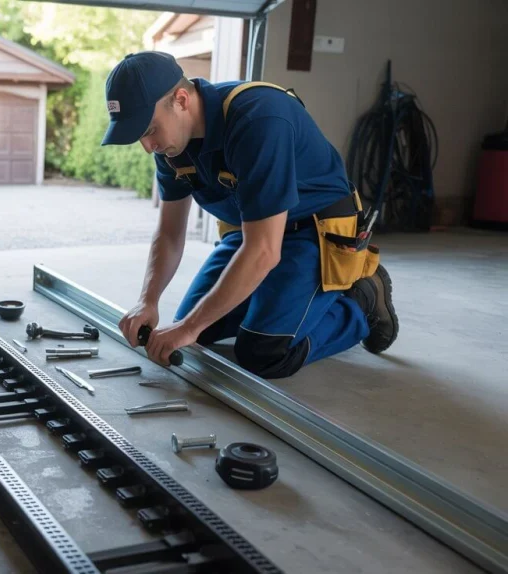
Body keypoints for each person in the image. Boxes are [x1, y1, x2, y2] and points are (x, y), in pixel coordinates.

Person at [102, 52, 398, 379]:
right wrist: (149, 300)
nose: (147, 146)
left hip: (313, 232)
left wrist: (188, 325)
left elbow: (264, 252)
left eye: (149, 130)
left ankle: (361, 302)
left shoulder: (259, 119)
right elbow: (170, 234)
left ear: (181, 100)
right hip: (252, 235)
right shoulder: (171, 145)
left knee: (262, 353)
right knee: (195, 334)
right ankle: (270, 298)